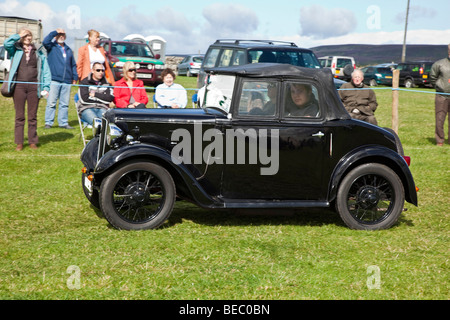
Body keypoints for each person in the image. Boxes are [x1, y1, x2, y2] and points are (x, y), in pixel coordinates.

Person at [4, 27, 51, 151]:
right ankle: (19, 142)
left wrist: (46, 87)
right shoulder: (15, 49)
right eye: (25, 36)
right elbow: (6, 43)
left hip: (34, 87)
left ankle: (32, 141)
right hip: (19, 86)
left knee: (32, 116)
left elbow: (46, 70)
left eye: (29, 35)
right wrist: (18, 35)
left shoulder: (39, 51)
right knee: (19, 116)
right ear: (21, 37)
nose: (28, 38)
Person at [43, 28, 78, 129]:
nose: (61, 36)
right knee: (51, 102)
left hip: (66, 80)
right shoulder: (51, 46)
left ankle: (63, 123)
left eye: (63, 35)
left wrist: (74, 76)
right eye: (59, 35)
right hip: (54, 79)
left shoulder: (68, 49)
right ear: (56, 36)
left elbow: (73, 64)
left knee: (64, 103)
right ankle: (48, 122)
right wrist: (55, 31)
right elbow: (45, 41)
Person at [430, 44, 450, 146]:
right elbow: (433, 77)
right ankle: (440, 140)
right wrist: (439, 86)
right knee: (440, 118)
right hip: (442, 96)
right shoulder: (439, 64)